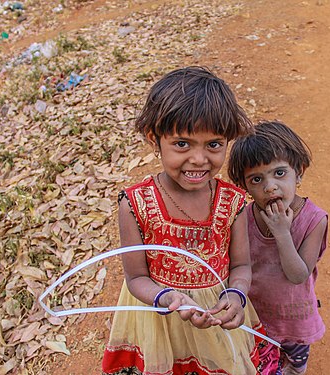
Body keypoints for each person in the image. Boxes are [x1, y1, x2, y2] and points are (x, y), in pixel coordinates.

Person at [102, 66, 265, 374]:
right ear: (155, 140)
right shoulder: (135, 204)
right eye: (182, 144)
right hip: (159, 320)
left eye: (214, 144)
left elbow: (241, 265)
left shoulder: (233, 203)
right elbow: (136, 278)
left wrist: (236, 294)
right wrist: (165, 297)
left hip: (216, 314)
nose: (199, 159)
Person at [228, 120, 329, 375]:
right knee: (258, 364)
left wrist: (282, 232)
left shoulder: (314, 220)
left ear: (299, 171)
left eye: (280, 173)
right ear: (244, 185)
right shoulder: (243, 217)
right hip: (255, 316)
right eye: (256, 179)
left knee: (295, 366)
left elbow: (298, 275)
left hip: (294, 318)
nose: (270, 186)